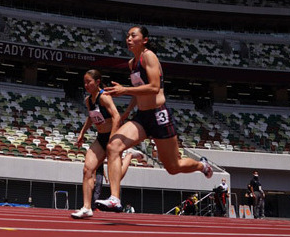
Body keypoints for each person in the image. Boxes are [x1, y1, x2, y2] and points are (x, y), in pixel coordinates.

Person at [95, 26, 213, 212]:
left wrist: (124, 90)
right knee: (113, 146)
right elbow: (139, 92)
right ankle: (115, 198)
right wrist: (126, 114)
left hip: (159, 116)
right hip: (142, 117)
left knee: (173, 167)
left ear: (145, 40)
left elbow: (154, 87)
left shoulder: (149, 56)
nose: (129, 38)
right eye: (127, 36)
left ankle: (201, 165)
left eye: (133, 35)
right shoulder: (131, 63)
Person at [71, 69, 142, 219]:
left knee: (114, 176)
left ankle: (129, 155)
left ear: (97, 82)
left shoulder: (104, 97)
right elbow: (91, 117)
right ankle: (86, 208)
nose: (86, 85)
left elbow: (116, 117)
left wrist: (113, 138)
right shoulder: (88, 100)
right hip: (100, 137)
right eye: (84, 82)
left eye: (88, 82)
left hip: (112, 137)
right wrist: (82, 133)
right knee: (87, 170)